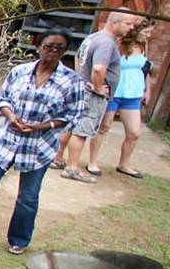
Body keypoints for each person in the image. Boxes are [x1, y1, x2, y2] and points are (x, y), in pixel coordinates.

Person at [0, 32, 85, 254]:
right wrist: (11, 117)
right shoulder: (19, 72)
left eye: (59, 48)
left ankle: (19, 238)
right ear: (38, 45)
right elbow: (3, 100)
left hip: (39, 147)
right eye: (49, 46)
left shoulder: (72, 81)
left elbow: (73, 116)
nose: (53, 52)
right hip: (7, 140)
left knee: (27, 196)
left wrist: (41, 126)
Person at [60, 12, 139, 182]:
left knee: (70, 126)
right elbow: (98, 68)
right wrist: (97, 87)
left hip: (82, 87)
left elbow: (78, 57)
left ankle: (57, 158)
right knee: (81, 131)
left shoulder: (93, 37)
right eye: (128, 23)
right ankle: (72, 167)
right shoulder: (106, 43)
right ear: (115, 23)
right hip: (91, 94)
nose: (131, 28)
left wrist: (81, 77)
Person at [97, 22, 150, 179]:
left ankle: (124, 163)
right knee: (104, 127)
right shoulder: (118, 44)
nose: (149, 35)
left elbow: (146, 69)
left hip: (133, 92)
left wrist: (147, 89)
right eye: (147, 32)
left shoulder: (144, 45)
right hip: (116, 89)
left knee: (134, 132)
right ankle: (93, 161)